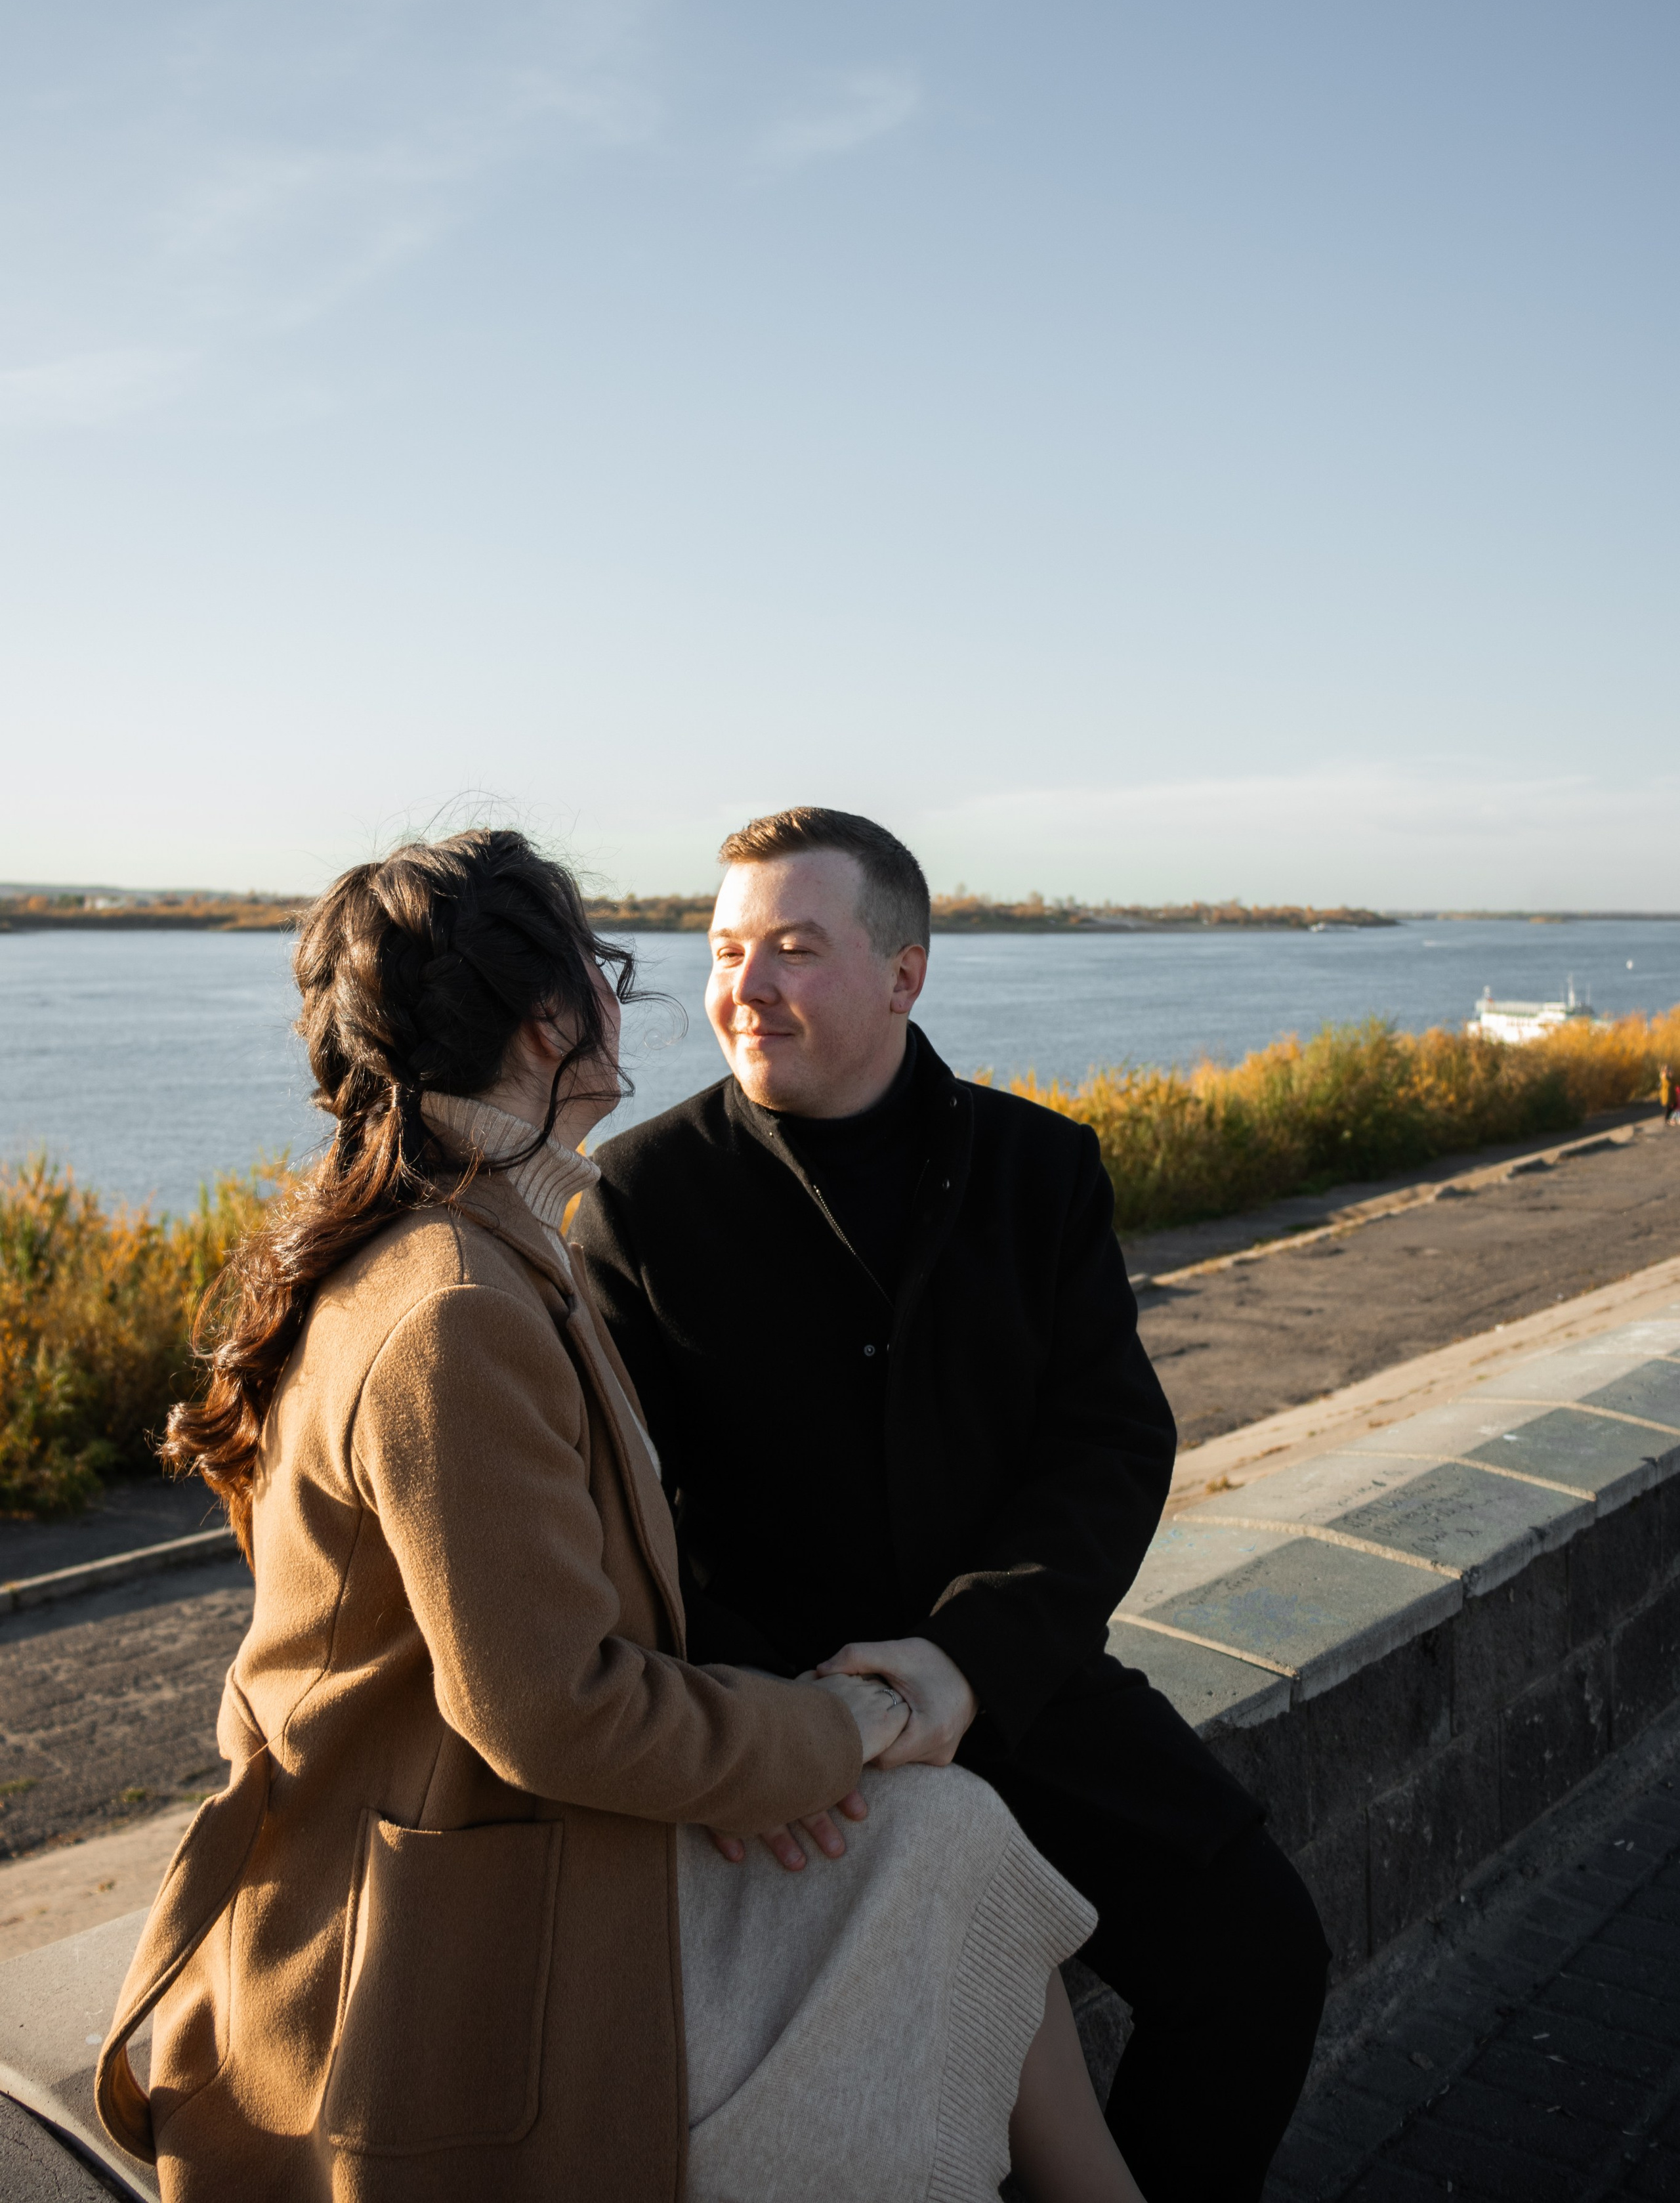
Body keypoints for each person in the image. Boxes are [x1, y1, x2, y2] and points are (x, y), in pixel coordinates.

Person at [96, 829, 1145, 2203]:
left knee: (963, 1850)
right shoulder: (455, 1305)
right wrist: (840, 1729)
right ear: (548, 1021)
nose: (659, 991)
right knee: (948, 1843)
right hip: (436, 1964)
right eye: (611, 963)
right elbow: (552, 1710)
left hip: (514, 1855)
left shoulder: (487, 1242)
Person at [572, 807, 1332, 2203]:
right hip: (790, 1726)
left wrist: (969, 1662)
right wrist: (783, 1713)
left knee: (1258, 1956)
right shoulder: (636, 1197)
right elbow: (628, 1515)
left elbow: (1107, 1447)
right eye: (727, 951)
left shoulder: (1041, 1170)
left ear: (904, 974)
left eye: (794, 949)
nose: (746, 988)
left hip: (1017, 1686)